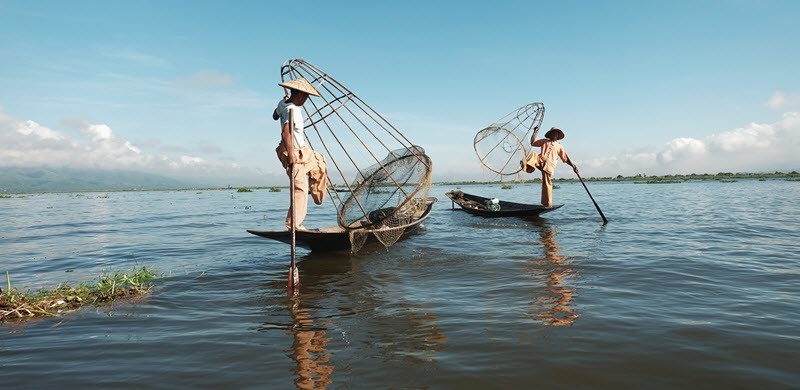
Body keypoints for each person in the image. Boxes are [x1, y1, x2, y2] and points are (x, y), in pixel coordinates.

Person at [273, 77, 322, 230]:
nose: (306, 100)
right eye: (305, 97)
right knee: (300, 187)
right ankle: (293, 225)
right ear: (299, 94)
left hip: (302, 149)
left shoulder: (283, 104)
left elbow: (274, 115)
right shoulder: (291, 109)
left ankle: (317, 196)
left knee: (320, 163)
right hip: (291, 150)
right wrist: (291, 155)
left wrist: (284, 102)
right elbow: (286, 133)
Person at [522, 127, 579, 208]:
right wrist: (535, 132)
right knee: (533, 154)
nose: (554, 134)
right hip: (540, 161)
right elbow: (533, 143)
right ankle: (529, 168)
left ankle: (548, 204)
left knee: (547, 184)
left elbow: (565, 159)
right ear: (550, 134)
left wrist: (573, 166)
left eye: (556, 133)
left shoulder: (559, 146)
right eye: (553, 133)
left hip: (549, 166)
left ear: (558, 135)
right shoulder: (545, 141)